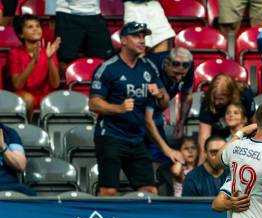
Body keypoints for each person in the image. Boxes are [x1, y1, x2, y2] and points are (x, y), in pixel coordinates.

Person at [89, 22, 169, 196]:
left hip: (137, 138)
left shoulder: (148, 67)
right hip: (111, 136)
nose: (142, 41)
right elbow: (93, 103)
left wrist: (160, 95)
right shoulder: (108, 68)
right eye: (136, 36)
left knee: (150, 191)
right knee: (109, 191)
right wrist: (119, 108)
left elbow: (165, 102)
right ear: (123, 40)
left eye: (143, 37)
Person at [144, 48, 195, 166]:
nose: (178, 79)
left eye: (182, 75)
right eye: (176, 73)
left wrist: (181, 122)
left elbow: (187, 95)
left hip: (154, 112)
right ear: (166, 64)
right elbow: (164, 102)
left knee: (159, 157)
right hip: (139, 108)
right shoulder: (151, 66)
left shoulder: (189, 65)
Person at [9, 14, 61, 119]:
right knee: (28, 99)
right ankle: (26, 129)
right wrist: (34, 60)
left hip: (44, 95)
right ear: (21, 34)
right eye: (30, 27)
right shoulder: (14, 53)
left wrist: (50, 58)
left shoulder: (49, 51)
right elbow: (18, 85)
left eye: (37, 26)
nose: (35, 29)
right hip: (23, 95)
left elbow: (55, 84)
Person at [198, 74, 256, 161]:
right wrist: (201, 166)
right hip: (218, 141)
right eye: (215, 98)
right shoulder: (208, 100)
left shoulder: (245, 94)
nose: (217, 102)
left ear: (230, 95)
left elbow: (255, 125)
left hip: (243, 140)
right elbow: (204, 137)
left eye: (221, 99)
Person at [53, 0, 113, 72]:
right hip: (67, 12)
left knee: (103, 58)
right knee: (65, 58)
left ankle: (99, 82)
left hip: (94, 13)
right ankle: (64, 82)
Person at [0, 123, 34, 196]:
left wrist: (2, 146)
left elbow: (21, 166)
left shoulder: (10, 133)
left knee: (27, 191)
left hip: (8, 186)